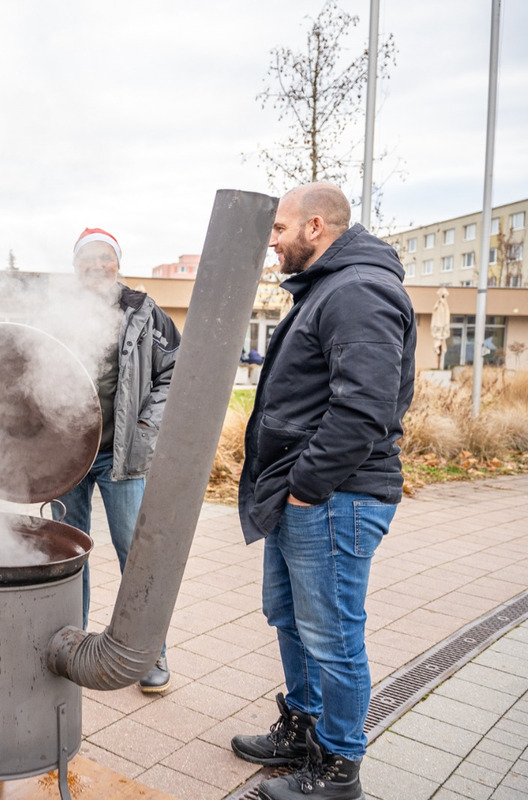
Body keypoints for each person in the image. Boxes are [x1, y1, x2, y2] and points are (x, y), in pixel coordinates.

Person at [232, 183, 416, 800]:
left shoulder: (357, 290)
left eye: (280, 229)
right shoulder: (327, 288)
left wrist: (307, 488)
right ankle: (303, 727)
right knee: (289, 617)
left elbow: (363, 410)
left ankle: (339, 768)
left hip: (334, 499)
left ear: (315, 226)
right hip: (301, 495)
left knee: (333, 636)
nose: (273, 240)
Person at [48, 227, 180, 692]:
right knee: (66, 555)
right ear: (75, 266)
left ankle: (149, 654)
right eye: (88, 259)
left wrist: (146, 428)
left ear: (117, 264)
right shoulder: (56, 313)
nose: (98, 267)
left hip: (122, 456)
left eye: (106, 258)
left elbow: (173, 374)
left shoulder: (145, 313)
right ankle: (69, 649)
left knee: (136, 555)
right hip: (64, 458)